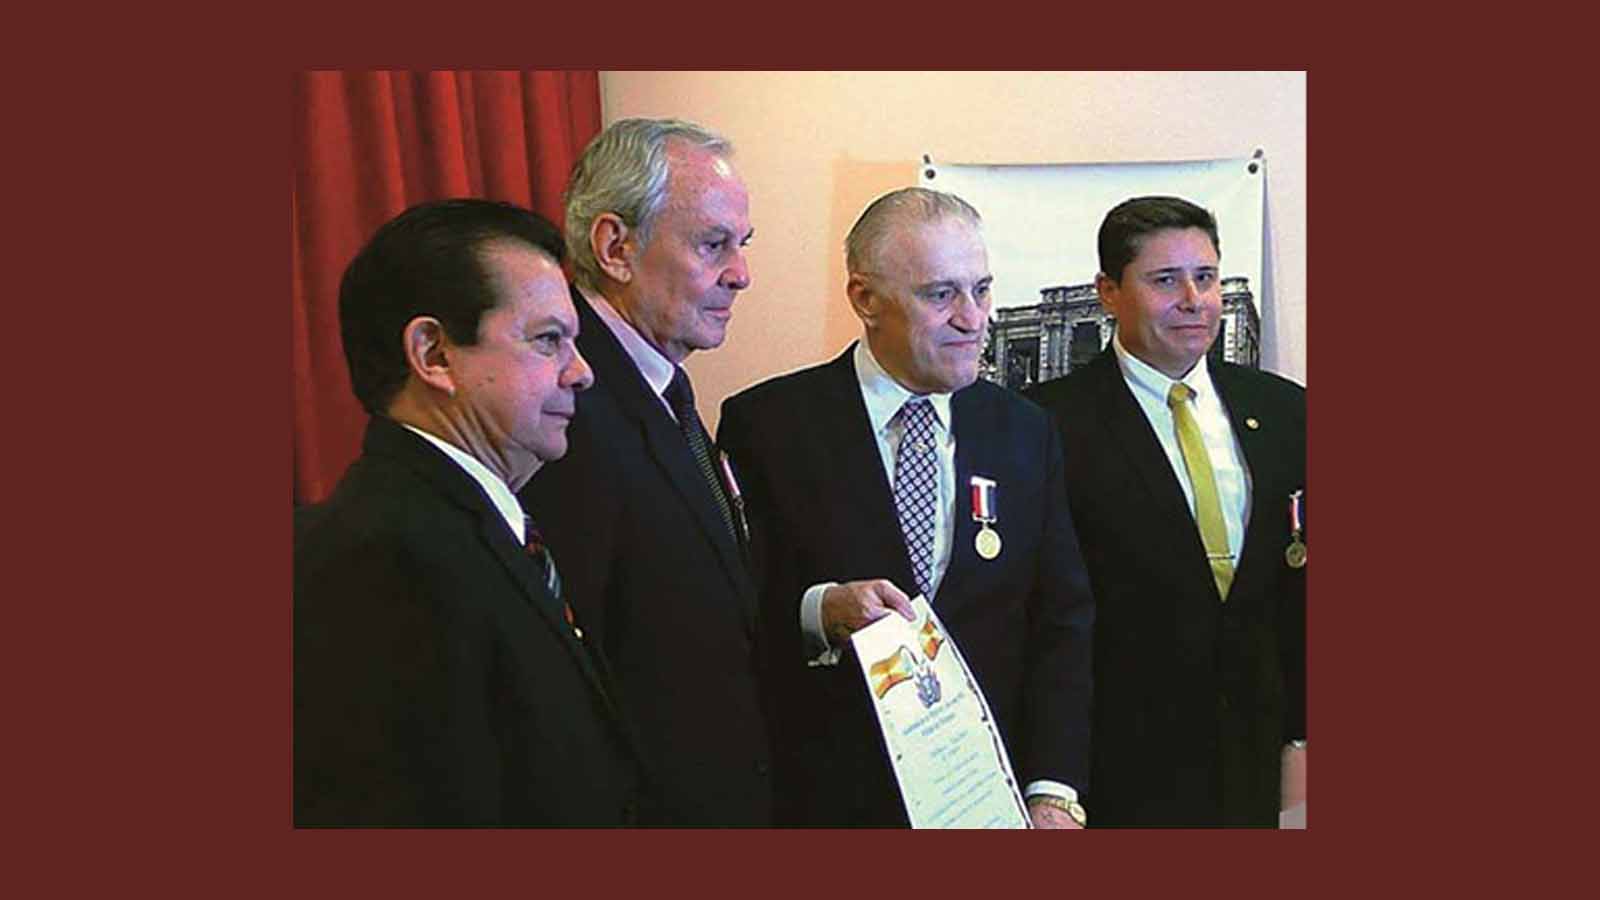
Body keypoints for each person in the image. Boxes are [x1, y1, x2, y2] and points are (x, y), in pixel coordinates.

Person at [718, 187, 1095, 828]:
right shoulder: (769, 425)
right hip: (828, 808)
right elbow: (731, 619)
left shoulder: (1025, 432)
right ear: (865, 299)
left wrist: (1053, 792)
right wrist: (819, 613)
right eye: (940, 294)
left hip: (986, 808)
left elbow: (1061, 622)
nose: (973, 319)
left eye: (982, 290)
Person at [294, 199, 644, 826]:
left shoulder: (478, 524)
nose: (582, 373)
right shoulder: (386, 555)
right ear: (433, 354)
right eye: (548, 340)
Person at [516, 118, 773, 826]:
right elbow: (575, 679)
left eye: (742, 244)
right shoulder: (565, 408)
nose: (741, 274)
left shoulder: (662, 386)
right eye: (713, 244)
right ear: (616, 248)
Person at [1024, 195, 1306, 827]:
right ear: (1108, 292)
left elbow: (1299, 591)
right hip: (1111, 772)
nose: (1193, 299)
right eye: (1165, 280)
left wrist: (1302, 731)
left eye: (1205, 277)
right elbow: (1039, 614)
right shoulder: (1045, 425)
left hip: (1249, 766)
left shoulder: (1285, 413)